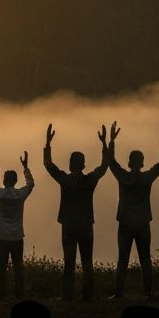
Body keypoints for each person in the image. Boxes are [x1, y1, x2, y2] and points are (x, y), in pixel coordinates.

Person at [43, 122, 112, 301]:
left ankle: (67, 296)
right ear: (83, 164)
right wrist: (104, 144)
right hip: (86, 225)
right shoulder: (89, 180)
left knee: (69, 263)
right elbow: (104, 167)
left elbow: (48, 165)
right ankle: (87, 295)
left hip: (68, 224)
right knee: (87, 262)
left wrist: (48, 143)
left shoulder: (65, 179)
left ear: (70, 164)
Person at [108, 124, 159, 299]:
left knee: (122, 259)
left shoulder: (123, 177)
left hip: (125, 222)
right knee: (145, 259)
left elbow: (111, 162)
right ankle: (148, 292)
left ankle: (119, 293)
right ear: (142, 162)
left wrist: (112, 141)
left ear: (129, 162)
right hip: (143, 223)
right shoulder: (146, 177)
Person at [0, 151, 35, 300]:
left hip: (1, 235)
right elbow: (30, 184)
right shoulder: (20, 195)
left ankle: (0, 294)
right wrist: (26, 168)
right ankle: (19, 294)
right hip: (16, 236)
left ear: (4, 181)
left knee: (1, 268)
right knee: (18, 267)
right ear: (15, 181)